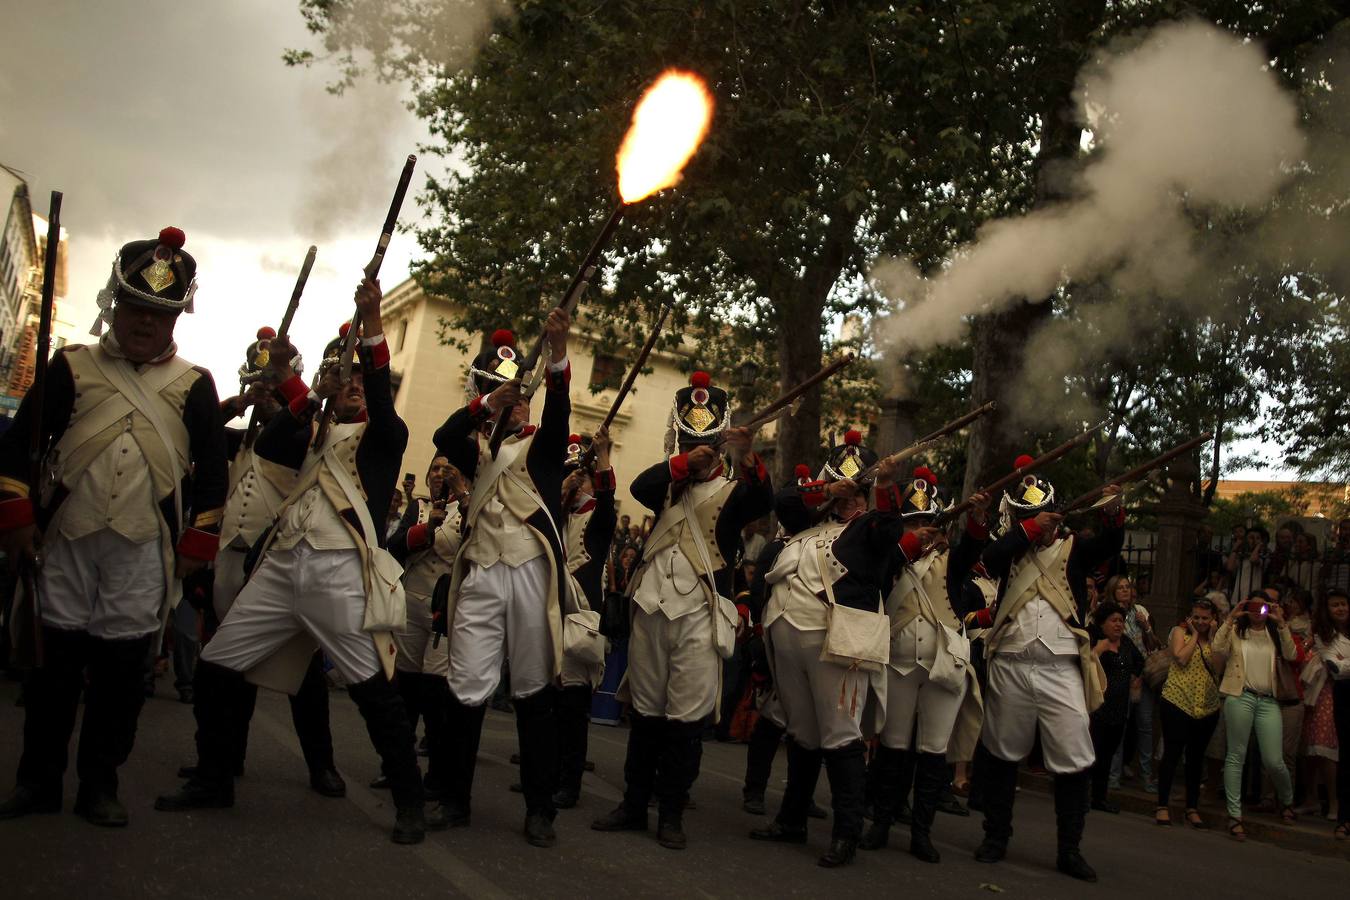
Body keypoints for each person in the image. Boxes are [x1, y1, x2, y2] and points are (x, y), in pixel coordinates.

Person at [155, 277, 429, 845]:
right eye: (344, 376)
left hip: (340, 572)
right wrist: (303, 390)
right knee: (217, 665)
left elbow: (378, 394)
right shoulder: (307, 430)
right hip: (281, 565)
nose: (353, 385)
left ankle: (410, 801)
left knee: (375, 692)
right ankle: (214, 776)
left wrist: (372, 323)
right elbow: (273, 442)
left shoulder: (386, 436)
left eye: (359, 377)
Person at [0, 227, 227, 827]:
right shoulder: (71, 367)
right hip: (65, 543)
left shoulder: (195, 385)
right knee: (52, 674)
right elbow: (19, 449)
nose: (144, 322)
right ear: (113, 303)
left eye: (159, 312)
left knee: (120, 680)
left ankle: (100, 785)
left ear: (176, 317)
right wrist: (20, 520)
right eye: (134, 307)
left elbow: (211, 478)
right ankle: (38, 781)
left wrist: (195, 545)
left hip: (142, 552)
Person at [592, 371, 772, 850]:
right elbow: (639, 485)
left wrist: (746, 454)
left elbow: (763, 498)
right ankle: (634, 804)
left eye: (705, 443)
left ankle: (671, 811)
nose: (699, 450)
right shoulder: (668, 484)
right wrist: (681, 463)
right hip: (650, 607)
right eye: (692, 442)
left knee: (685, 720)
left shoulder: (734, 490)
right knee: (647, 714)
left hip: (699, 612)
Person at [175, 326, 342, 799]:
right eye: (260, 385)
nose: (267, 394)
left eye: (274, 386)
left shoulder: (304, 429)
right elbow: (202, 439)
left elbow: (288, 432)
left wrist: (284, 395)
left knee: (303, 673)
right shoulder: (241, 436)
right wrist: (238, 403)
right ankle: (226, 758)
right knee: (229, 666)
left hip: (279, 558)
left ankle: (322, 764)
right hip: (231, 558)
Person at [431, 316, 572, 847]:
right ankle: (452, 798)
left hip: (532, 573)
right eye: (504, 395)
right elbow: (445, 437)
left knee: (534, 688)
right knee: (466, 687)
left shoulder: (547, 445)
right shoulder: (478, 450)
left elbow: (558, 409)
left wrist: (557, 356)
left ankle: (540, 810)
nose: (515, 404)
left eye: (519, 397)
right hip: (482, 572)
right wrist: (483, 407)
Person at [748, 434, 917, 868]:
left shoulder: (872, 528)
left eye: (855, 493)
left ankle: (846, 833)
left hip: (837, 644)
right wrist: (826, 491)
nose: (848, 501)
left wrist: (881, 487)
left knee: (841, 736)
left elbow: (891, 528)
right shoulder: (808, 523)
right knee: (802, 734)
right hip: (788, 641)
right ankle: (791, 820)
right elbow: (785, 499)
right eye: (846, 491)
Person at [969, 456, 1124, 883]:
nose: (1037, 522)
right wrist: (1028, 530)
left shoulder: (1075, 546)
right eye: (1026, 516)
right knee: (1002, 753)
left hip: (1060, 665)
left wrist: (1113, 509)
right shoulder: (1009, 548)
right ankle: (995, 837)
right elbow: (991, 556)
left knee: (1074, 760)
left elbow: (1110, 544)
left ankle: (1069, 850)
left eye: (1039, 515)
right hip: (1013, 661)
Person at [862, 465, 991, 862]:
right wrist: (907, 546)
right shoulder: (891, 557)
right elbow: (877, 580)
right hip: (899, 663)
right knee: (893, 749)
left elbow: (972, 549)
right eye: (913, 522)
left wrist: (978, 518)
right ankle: (882, 822)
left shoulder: (954, 561)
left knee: (933, 752)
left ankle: (922, 832)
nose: (921, 528)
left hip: (943, 665)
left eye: (927, 522)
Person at [380, 455, 469, 804]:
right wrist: (426, 529)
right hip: (409, 606)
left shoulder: (466, 508)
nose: (438, 476)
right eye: (434, 469)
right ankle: (397, 766)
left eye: (446, 471)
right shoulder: (418, 507)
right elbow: (395, 547)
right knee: (403, 692)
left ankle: (436, 775)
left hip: (443, 611)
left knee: (435, 697)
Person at [554, 429, 617, 808]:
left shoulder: (599, 516)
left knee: (573, 708)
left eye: (581, 476)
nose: (577, 482)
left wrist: (604, 456)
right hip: (547, 612)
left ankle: (569, 782)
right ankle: (544, 771)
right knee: (544, 701)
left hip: (579, 616)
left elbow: (608, 502)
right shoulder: (553, 512)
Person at [1213, 590, 1299, 841]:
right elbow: (1217, 648)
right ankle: (1234, 815)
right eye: (1253, 606)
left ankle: (1287, 800)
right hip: (1240, 695)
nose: (1258, 612)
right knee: (1235, 755)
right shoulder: (1238, 633)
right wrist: (1231, 617)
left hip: (1268, 700)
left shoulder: (1274, 633)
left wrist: (1281, 622)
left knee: (1274, 760)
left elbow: (1292, 655)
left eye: (1263, 607)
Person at [1154, 597, 1222, 827]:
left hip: (1207, 706)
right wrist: (1194, 634)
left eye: (1206, 618)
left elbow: (1218, 666)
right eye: (1197, 617)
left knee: (1196, 759)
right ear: (1190, 617)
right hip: (1177, 700)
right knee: (1172, 754)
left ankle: (1192, 807)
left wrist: (1211, 637)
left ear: (1213, 619)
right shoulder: (1178, 633)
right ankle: (1162, 805)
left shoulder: (1217, 640)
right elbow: (1181, 657)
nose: (1201, 621)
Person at [1103, 575, 1159, 793]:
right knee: (1120, 725)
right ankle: (1113, 775)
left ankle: (1147, 776)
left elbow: (1153, 644)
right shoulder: (1111, 614)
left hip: (1142, 675)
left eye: (1128, 587)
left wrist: (1146, 627)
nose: (1125, 591)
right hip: (1120, 676)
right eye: (1120, 588)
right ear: (1113, 591)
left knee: (1145, 725)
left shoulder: (1140, 611)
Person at [1087, 602, 1144, 814]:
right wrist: (1097, 652)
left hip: (1119, 710)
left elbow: (1140, 662)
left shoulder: (1126, 644)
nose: (1118, 624)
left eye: (1121, 620)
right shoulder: (1095, 642)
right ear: (1103, 623)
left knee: (1106, 756)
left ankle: (1099, 798)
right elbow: (1082, 665)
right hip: (1097, 709)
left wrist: (1136, 677)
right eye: (1114, 620)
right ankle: (1081, 794)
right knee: (1091, 754)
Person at [1310, 588, 1349, 834]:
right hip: (1343, 695)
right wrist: (1342, 664)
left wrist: (1344, 661)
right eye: (1335, 604)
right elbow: (1336, 669)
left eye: (1344, 604)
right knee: (1344, 757)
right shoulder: (1323, 635)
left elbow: (1342, 664)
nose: (1341, 608)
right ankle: (1344, 818)